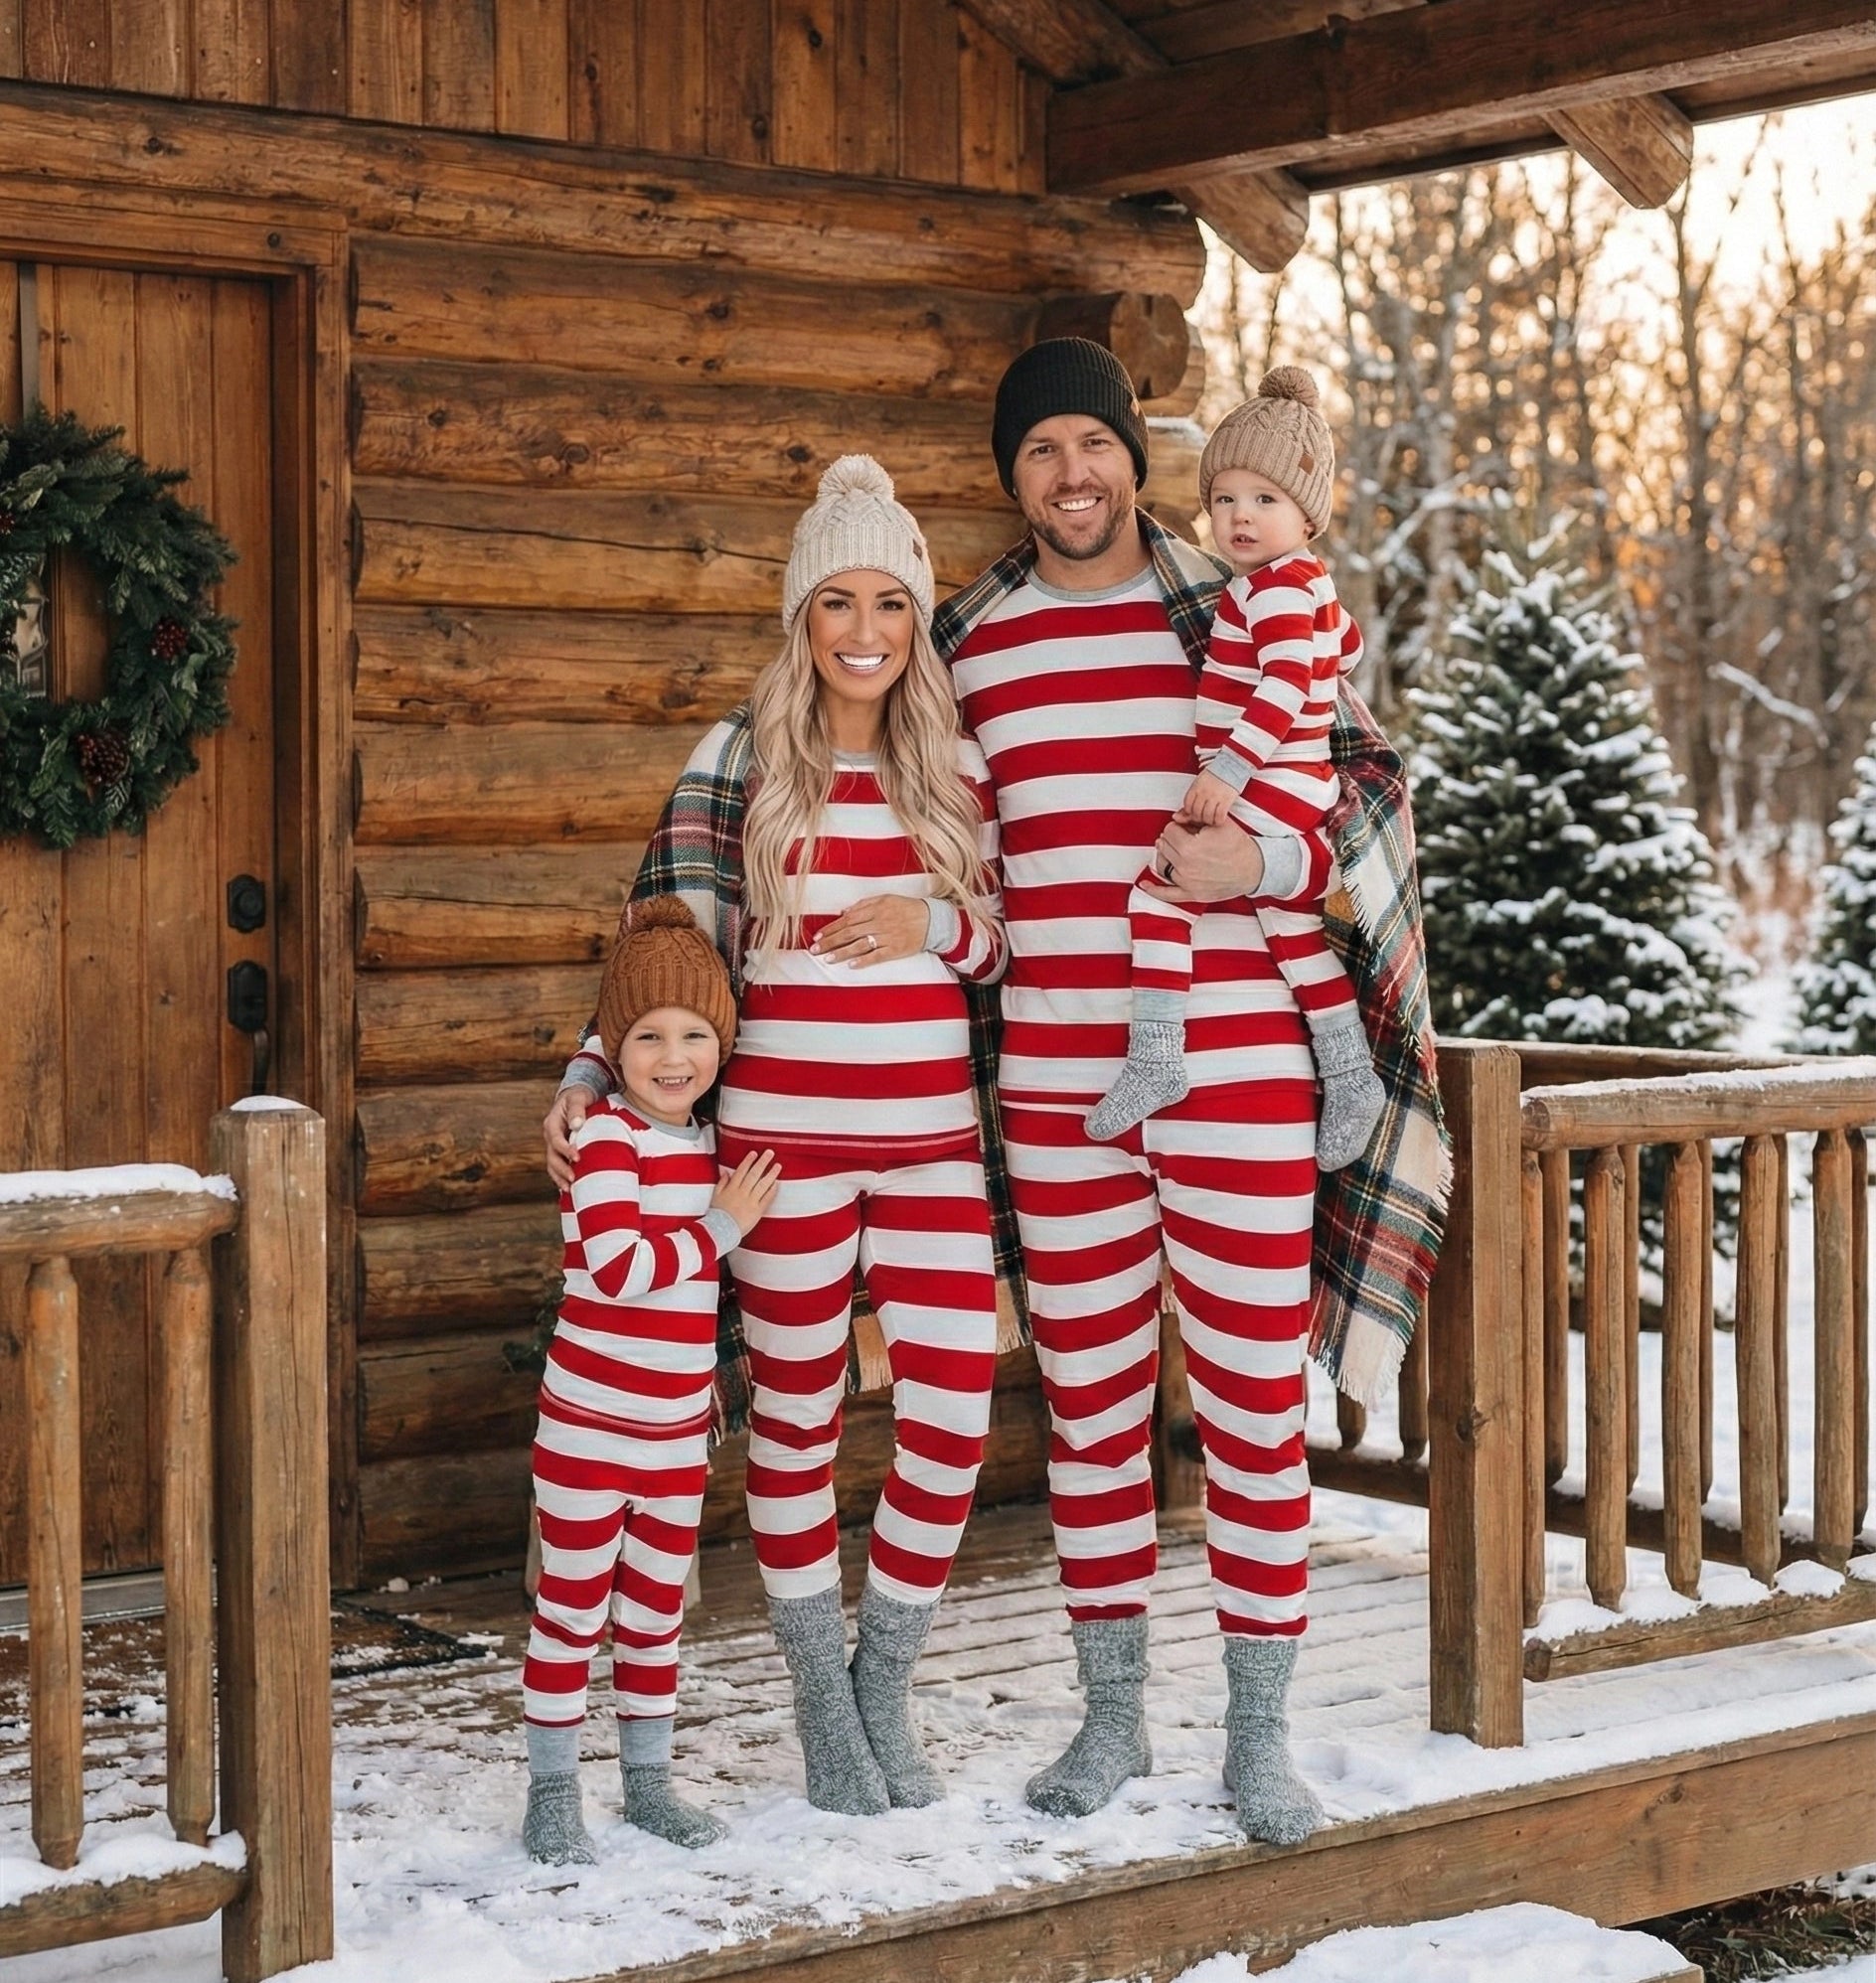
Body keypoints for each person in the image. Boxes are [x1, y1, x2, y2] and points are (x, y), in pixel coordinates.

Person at [931, 337, 1444, 1843]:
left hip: (1238, 1071)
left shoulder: (1233, 605)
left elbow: (1362, 797)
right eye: (1041, 449)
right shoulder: (968, 645)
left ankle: (1259, 1734)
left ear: (1133, 458)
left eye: (1094, 442)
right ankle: (1110, 1720)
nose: (1071, 472)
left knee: (1248, 1410)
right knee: (1090, 1412)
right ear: (1011, 476)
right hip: (1058, 1086)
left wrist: (1261, 861)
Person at [547, 457, 1010, 1817]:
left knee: (952, 1417)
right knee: (795, 1421)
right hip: (774, 1158)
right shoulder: (739, 758)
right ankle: (821, 1703)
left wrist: (935, 921)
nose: (865, 632)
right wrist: (591, 1068)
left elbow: (1008, 949)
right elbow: (665, 944)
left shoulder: (958, 767)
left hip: (931, 1148)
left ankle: (882, 1687)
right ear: (800, 617)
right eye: (837, 603)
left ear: (917, 620)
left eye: (891, 604)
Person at [521, 896, 780, 1864]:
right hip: (590, 1428)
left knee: (655, 1612)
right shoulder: (605, 1139)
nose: (674, 1056)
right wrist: (721, 1226)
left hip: (673, 1433)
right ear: (612, 1047)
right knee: (571, 1610)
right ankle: (552, 1794)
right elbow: (620, 1268)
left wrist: (723, 1212)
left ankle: (649, 1785)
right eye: (649, 1036)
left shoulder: (708, 1144)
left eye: (695, 1034)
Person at [1088, 365, 1386, 1167]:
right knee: (1295, 942)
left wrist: (1227, 771)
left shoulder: (1271, 591)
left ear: (1308, 514)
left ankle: (1158, 1054)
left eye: (1264, 499)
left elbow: (1286, 685)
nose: (1239, 516)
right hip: (1294, 787)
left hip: (1266, 785)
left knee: (1156, 896)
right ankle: (1351, 1073)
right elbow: (1347, 649)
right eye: (1224, 499)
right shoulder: (1305, 583)